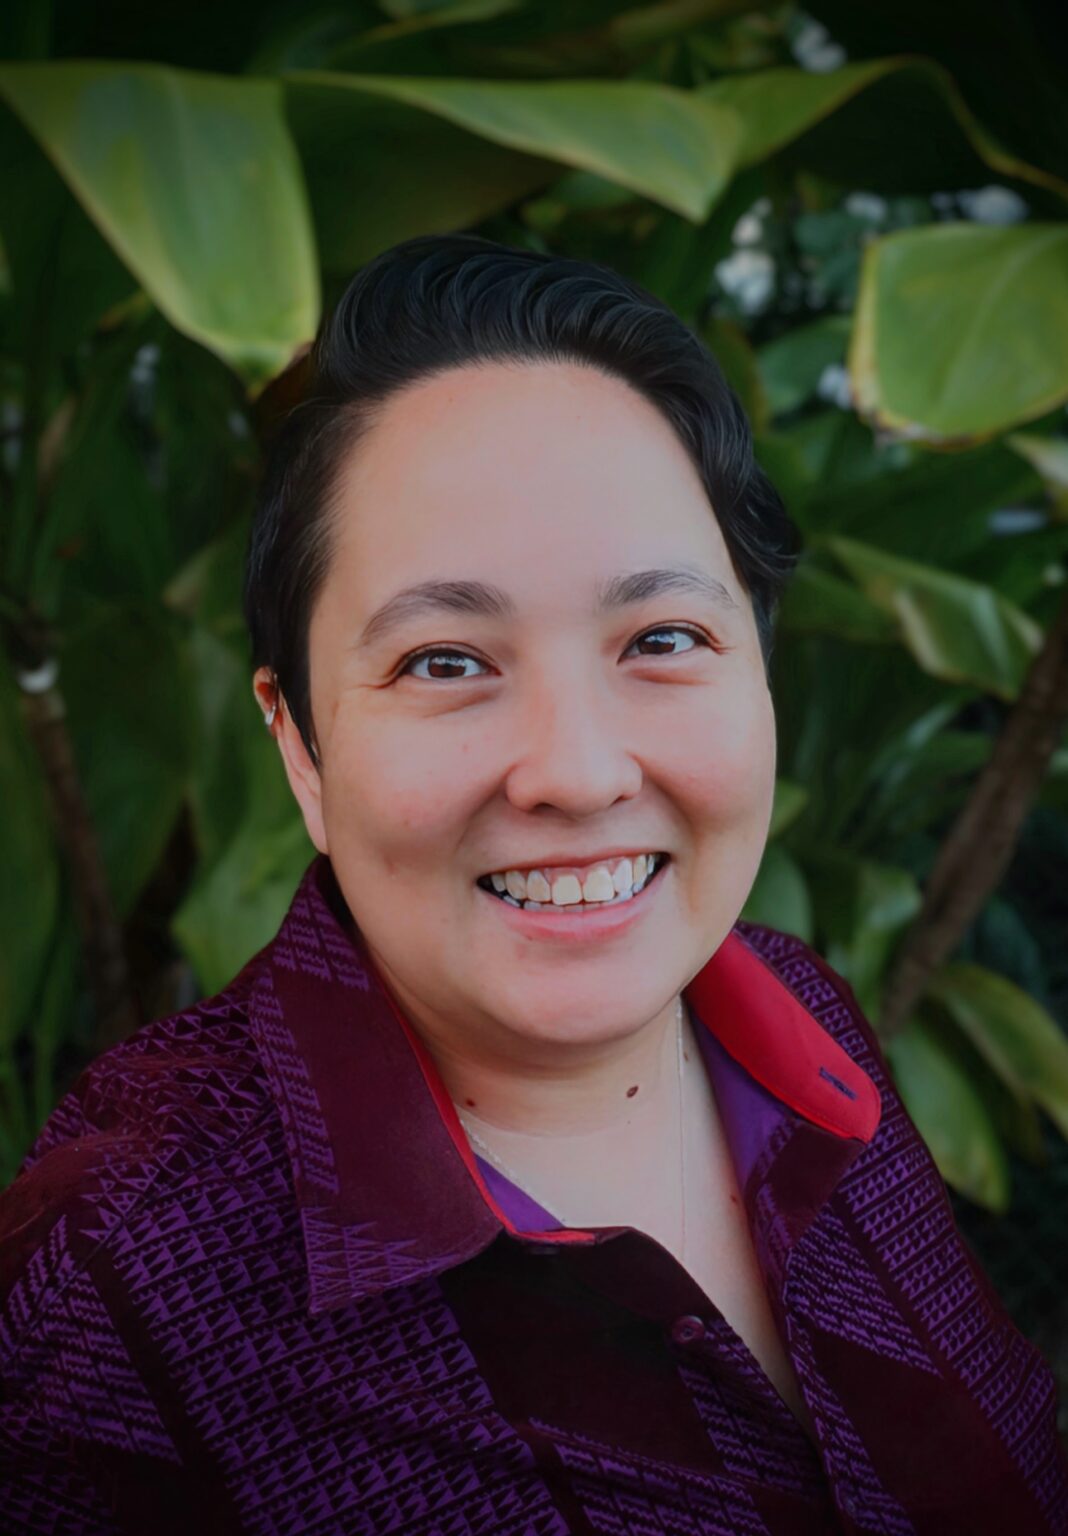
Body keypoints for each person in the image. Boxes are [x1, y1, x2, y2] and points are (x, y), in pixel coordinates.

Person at [1, 234, 1065, 1536]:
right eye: (446, 661)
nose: (574, 770)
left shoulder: (809, 1030)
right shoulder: (116, 1272)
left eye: (663, 639)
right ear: (300, 748)